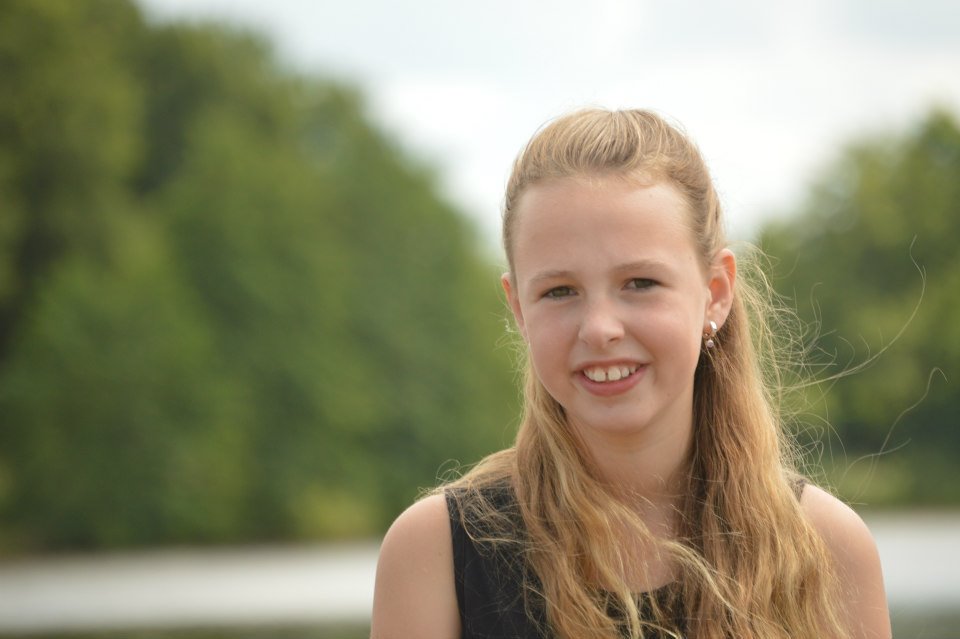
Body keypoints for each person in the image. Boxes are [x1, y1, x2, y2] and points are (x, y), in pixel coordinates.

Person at [370, 108, 891, 638]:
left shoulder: (828, 548)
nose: (600, 329)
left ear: (715, 294)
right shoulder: (436, 553)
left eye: (640, 283)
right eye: (559, 291)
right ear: (519, 309)